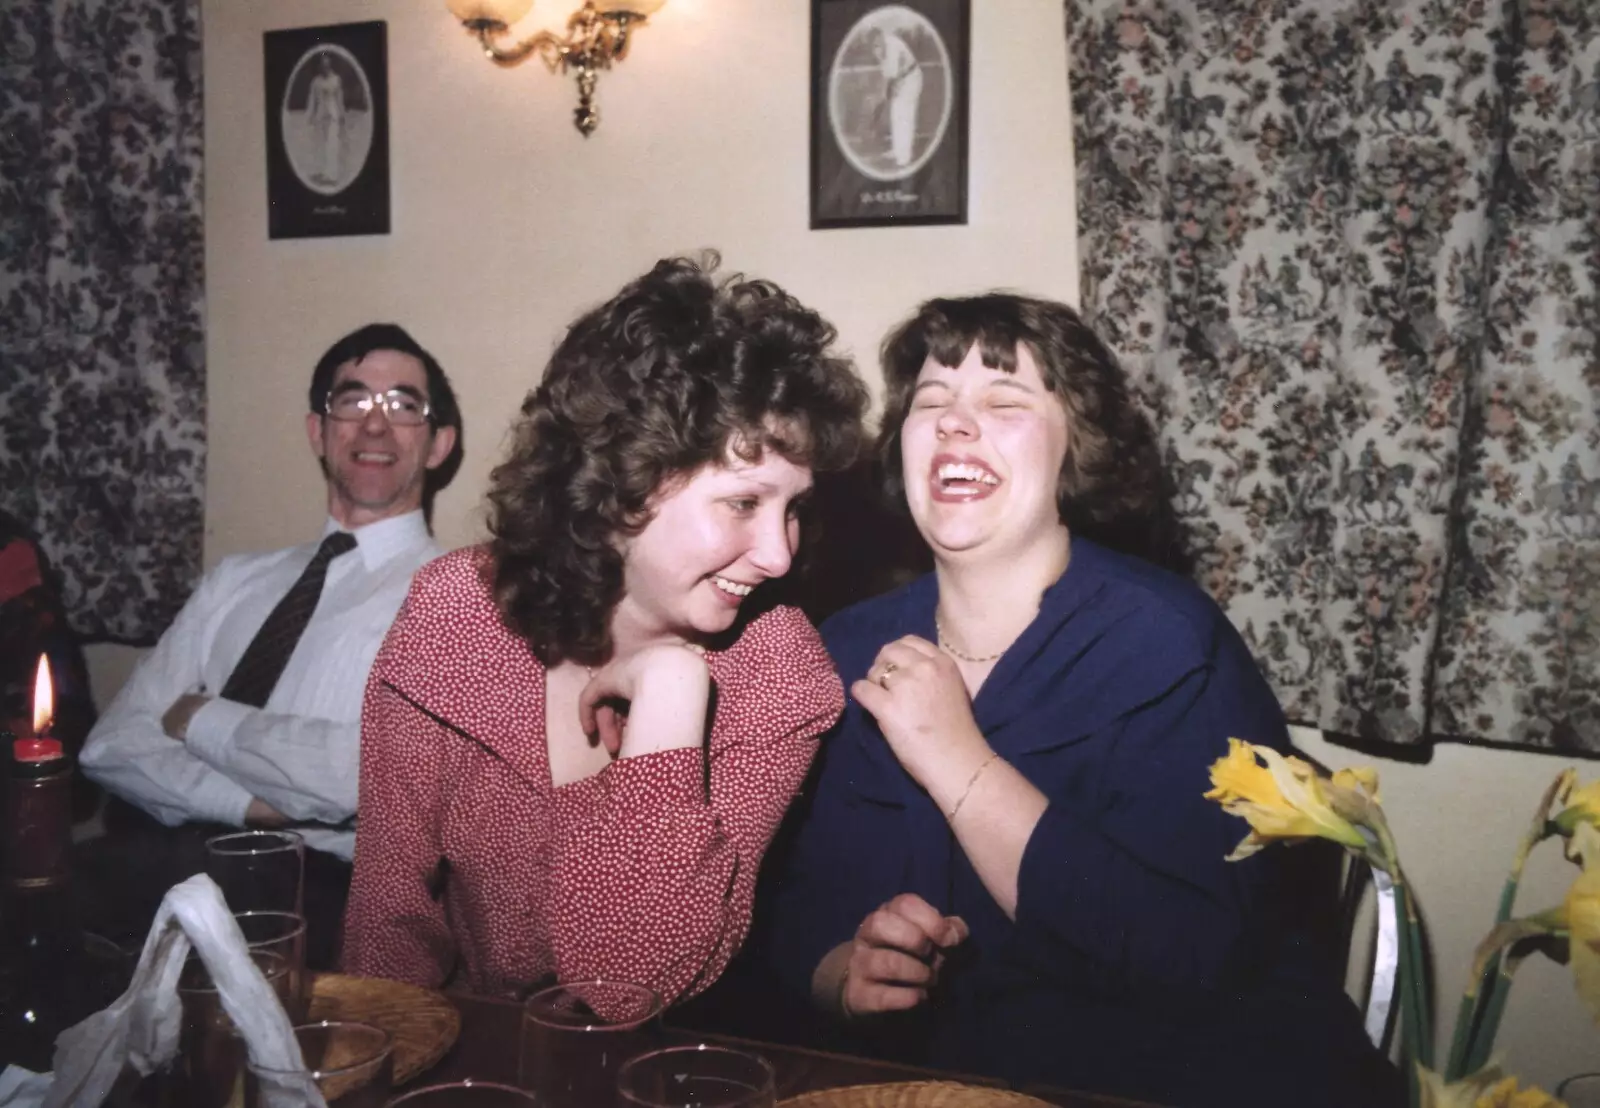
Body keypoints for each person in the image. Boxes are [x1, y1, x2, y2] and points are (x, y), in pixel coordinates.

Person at [752, 294, 1401, 1107]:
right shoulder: (842, 648)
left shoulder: (1167, 642)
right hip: (931, 1083)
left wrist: (961, 764)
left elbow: (1193, 957)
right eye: (931, 403)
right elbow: (782, 895)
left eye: (1003, 401)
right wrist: (842, 971)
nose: (955, 424)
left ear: (1075, 451)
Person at [340, 255, 869, 1005]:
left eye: (793, 510)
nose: (781, 554)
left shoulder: (781, 676)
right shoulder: (457, 611)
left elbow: (621, 987)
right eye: (745, 504)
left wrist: (671, 691)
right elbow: (387, 924)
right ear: (627, 478)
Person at [78, 323, 461, 967]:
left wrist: (200, 715)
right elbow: (110, 745)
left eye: (403, 406)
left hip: (319, 891)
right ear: (319, 431)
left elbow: (362, 774)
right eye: (352, 401)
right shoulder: (236, 579)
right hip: (165, 858)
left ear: (438, 445)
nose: (374, 426)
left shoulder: (452, 594)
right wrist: (251, 803)